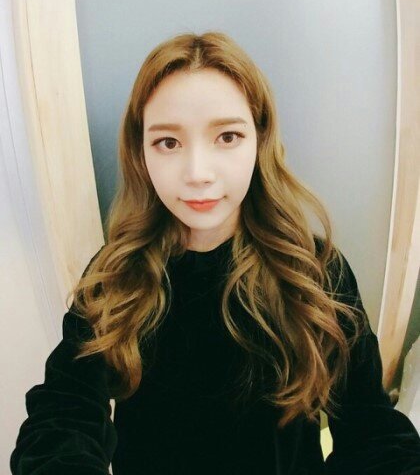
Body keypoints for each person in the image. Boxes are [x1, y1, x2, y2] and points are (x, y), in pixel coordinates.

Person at [10, 31, 420, 475]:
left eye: (227, 136)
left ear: (259, 140)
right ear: (141, 152)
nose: (198, 173)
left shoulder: (316, 271)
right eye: (168, 142)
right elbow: (63, 413)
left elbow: (373, 433)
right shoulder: (117, 274)